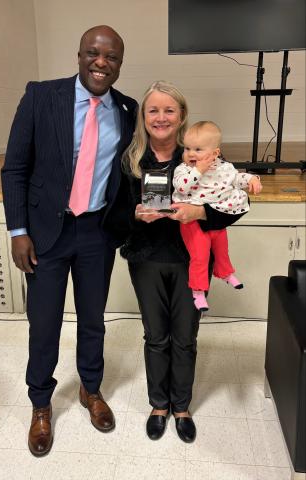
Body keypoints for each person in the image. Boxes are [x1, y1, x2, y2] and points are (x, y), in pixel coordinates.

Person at [1, 25, 137, 456]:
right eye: (94, 54)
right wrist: (18, 231)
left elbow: (133, 169)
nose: (102, 62)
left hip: (97, 232)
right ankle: (40, 403)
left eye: (111, 56)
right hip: (46, 235)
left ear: (119, 63)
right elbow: (15, 169)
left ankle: (90, 390)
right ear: (80, 55)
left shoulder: (127, 109)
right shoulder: (42, 97)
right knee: (44, 325)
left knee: (94, 319)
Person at [120, 81, 248, 443]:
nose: (161, 117)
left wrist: (200, 212)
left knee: (185, 338)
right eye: (153, 110)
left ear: (181, 117)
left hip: (188, 261)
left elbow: (235, 207)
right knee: (156, 337)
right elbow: (112, 215)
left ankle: (182, 406)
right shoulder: (129, 160)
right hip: (145, 258)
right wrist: (133, 214)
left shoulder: (200, 156)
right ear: (143, 118)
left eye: (169, 110)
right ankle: (159, 404)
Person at [172, 121, 262, 311]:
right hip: (192, 222)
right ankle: (198, 292)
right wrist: (198, 170)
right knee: (200, 255)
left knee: (221, 249)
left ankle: (225, 273)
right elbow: (181, 186)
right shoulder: (184, 169)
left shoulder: (224, 168)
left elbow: (237, 177)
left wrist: (252, 179)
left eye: (198, 149)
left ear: (215, 153)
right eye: (187, 148)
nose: (190, 154)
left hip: (215, 217)